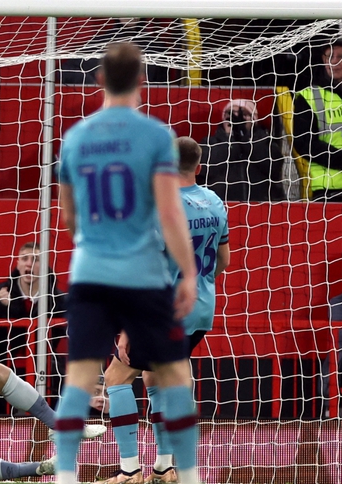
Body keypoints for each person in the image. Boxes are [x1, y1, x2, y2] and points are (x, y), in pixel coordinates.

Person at [53, 42, 200, 484]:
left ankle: (64, 476)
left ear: (98, 80)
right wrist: (188, 271)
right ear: (142, 81)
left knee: (79, 377)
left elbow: (67, 215)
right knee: (174, 375)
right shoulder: (155, 135)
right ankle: (185, 473)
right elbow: (171, 212)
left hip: (91, 271)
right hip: (143, 275)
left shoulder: (75, 138)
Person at [97, 137, 230, 484]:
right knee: (157, 378)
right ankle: (164, 466)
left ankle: (129, 470)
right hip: (200, 310)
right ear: (199, 167)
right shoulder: (214, 201)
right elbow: (223, 261)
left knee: (116, 376)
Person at [0, 242, 67, 398]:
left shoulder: (57, 298)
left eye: (36, 259)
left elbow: (58, 332)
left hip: (44, 358)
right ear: (17, 264)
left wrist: (14, 309)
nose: (29, 263)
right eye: (25, 258)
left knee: (59, 372)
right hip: (3, 356)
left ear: (45, 265)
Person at [293, 38, 342, 201]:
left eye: (340, 57)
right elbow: (305, 143)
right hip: (329, 190)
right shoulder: (310, 95)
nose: (334, 62)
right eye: (329, 56)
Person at [199, 99, 285, 202]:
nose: (234, 118)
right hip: (218, 206)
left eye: (243, 114)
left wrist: (245, 138)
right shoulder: (208, 142)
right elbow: (206, 168)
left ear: (254, 119)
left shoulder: (266, 141)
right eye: (230, 113)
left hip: (262, 207)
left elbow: (273, 167)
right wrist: (233, 142)